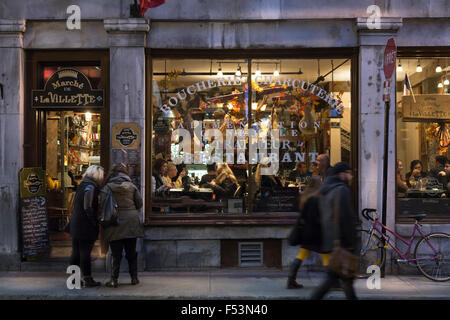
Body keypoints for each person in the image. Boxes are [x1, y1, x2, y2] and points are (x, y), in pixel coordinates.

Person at [311, 162, 358, 300]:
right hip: (341, 242)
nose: (351, 176)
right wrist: (350, 243)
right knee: (341, 279)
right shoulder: (341, 190)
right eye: (348, 173)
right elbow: (345, 218)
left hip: (330, 241)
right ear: (342, 174)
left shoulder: (326, 189)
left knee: (338, 279)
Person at [102, 163, 144, 288]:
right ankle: (134, 278)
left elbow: (103, 205)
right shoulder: (132, 186)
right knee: (131, 252)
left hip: (114, 221)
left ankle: (114, 279)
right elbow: (140, 203)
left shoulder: (107, 188)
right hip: (131, 221)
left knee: (116, 253)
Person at [287, 176, 330, 289]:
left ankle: (291, 280)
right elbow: (315, 218)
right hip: (315, 233)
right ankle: (332, 281)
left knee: (301, 255)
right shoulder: (315, 198)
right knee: (326, 255)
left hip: (307, 233)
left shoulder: (305, 196)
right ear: (317, 185)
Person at [68, 165, 104, 288]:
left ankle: (73, 280)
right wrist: (93, 220)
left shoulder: (82, 184)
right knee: (84, 253)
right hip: (85, 225)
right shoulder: (90, 186)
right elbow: (87, 206)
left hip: (76, 222)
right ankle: (88, 279)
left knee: (76, 252)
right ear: (97, 175)